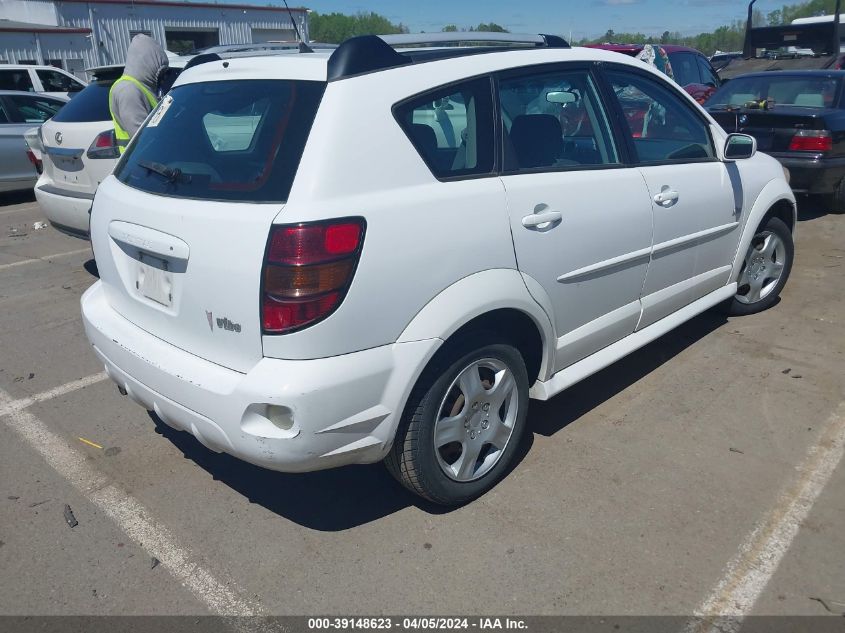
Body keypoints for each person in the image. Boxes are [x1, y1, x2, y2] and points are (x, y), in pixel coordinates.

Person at [109, 34, 169, 153]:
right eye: (161, 70)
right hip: (139, 162)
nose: (163, 78)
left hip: (144, 162)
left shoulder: (141, 86)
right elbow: (143, 138)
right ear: (148, 62)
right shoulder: (128, 90)